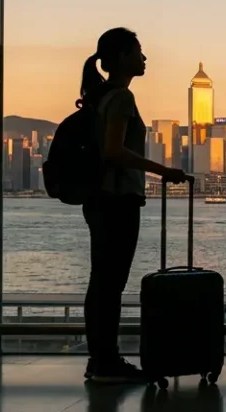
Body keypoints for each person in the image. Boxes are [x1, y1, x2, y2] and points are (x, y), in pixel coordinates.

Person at [79, 27, 190, 383]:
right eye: (138, 51)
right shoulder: (121, 98)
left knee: (102, 282)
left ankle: (99, 360)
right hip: (117, 200)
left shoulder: (101, 96)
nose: (144, 58)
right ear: (123, 57)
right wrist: (164, 171)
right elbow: (114, 151)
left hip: (99, 199)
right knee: (110, 284)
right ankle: (106, 362)